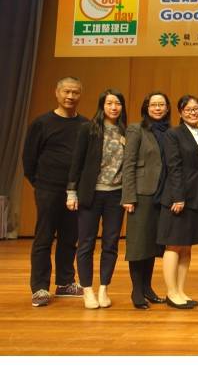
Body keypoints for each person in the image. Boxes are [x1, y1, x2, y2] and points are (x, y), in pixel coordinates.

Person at [23, 76, 88, 307]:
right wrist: (41, 184)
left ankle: (65, 282)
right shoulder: (42, 123)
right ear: (57, 93)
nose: (70, 96)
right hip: (47, 189)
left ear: (80, 95)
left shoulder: (85, 125)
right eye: (66, 91)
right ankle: (40, 287)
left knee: (70, 237)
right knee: (44, 237)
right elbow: (29, 160)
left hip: (75, 192)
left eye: (75, 92)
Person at [67, 89, 127, 309]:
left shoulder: (126, 131)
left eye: (117, 103)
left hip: (116, 195)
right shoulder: (89, 129)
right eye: (109, 103)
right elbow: (77, 162)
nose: (114, 107)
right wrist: (71, 191)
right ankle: (87, 290)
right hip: (91, 194)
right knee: (86, 243)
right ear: (102, 105)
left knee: (110, 244)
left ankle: (103, 289)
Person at [121, 91, 170, 309]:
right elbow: (129, 163)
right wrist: (128, 196)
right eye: (153, 105)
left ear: (167, 108)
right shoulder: (136, 129)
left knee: (152, 244)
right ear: (146, 108)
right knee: (138, 245)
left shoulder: (168, 132)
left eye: (161, 105)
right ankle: (137, 291)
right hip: (141, 194)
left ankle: (148, 288)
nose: (157, 108)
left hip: (161, 194)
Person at [157, 95, 198, 309]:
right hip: (178, 197)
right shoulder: (173, 134)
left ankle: (181, 290)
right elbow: (174, 166)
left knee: (186, 247)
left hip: (197, 196)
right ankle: (171, 292)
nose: (193, 112)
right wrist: (178, 197)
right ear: (180, 112)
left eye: (196, 108)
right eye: (188, 109)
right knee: (174, 244)